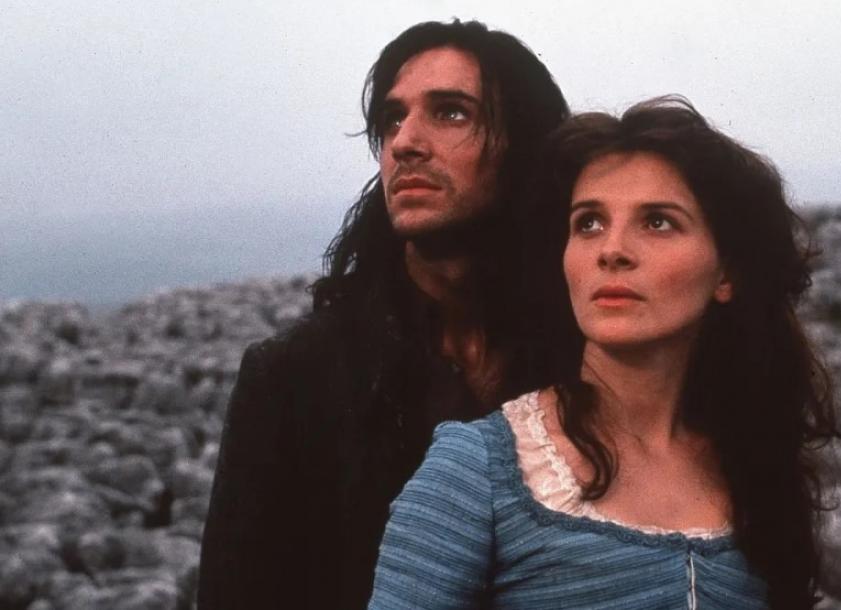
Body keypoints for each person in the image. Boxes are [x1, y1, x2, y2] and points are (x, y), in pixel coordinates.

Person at [368, 97, 841, 610]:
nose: (611, 250)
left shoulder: (755, 469)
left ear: (726, 272)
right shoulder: (477, 469)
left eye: (657, 222)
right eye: (588, 223)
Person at [197, 20, 568, 610]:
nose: (405, 143)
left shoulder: (586, 358)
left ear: (523, 143)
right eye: (394, 119)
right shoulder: (295, 376)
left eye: (450, 113)